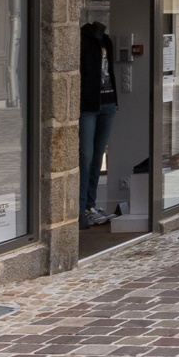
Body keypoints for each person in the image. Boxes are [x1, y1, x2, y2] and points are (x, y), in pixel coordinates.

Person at [80, 21, 120, 226]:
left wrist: (115, 101)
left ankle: (91, 205)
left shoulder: (106, 41)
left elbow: (110, 71)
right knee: (85, 157)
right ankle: (81, 210)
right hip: (88, 106)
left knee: (98, 157)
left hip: (108, 103)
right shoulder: (82, 41)